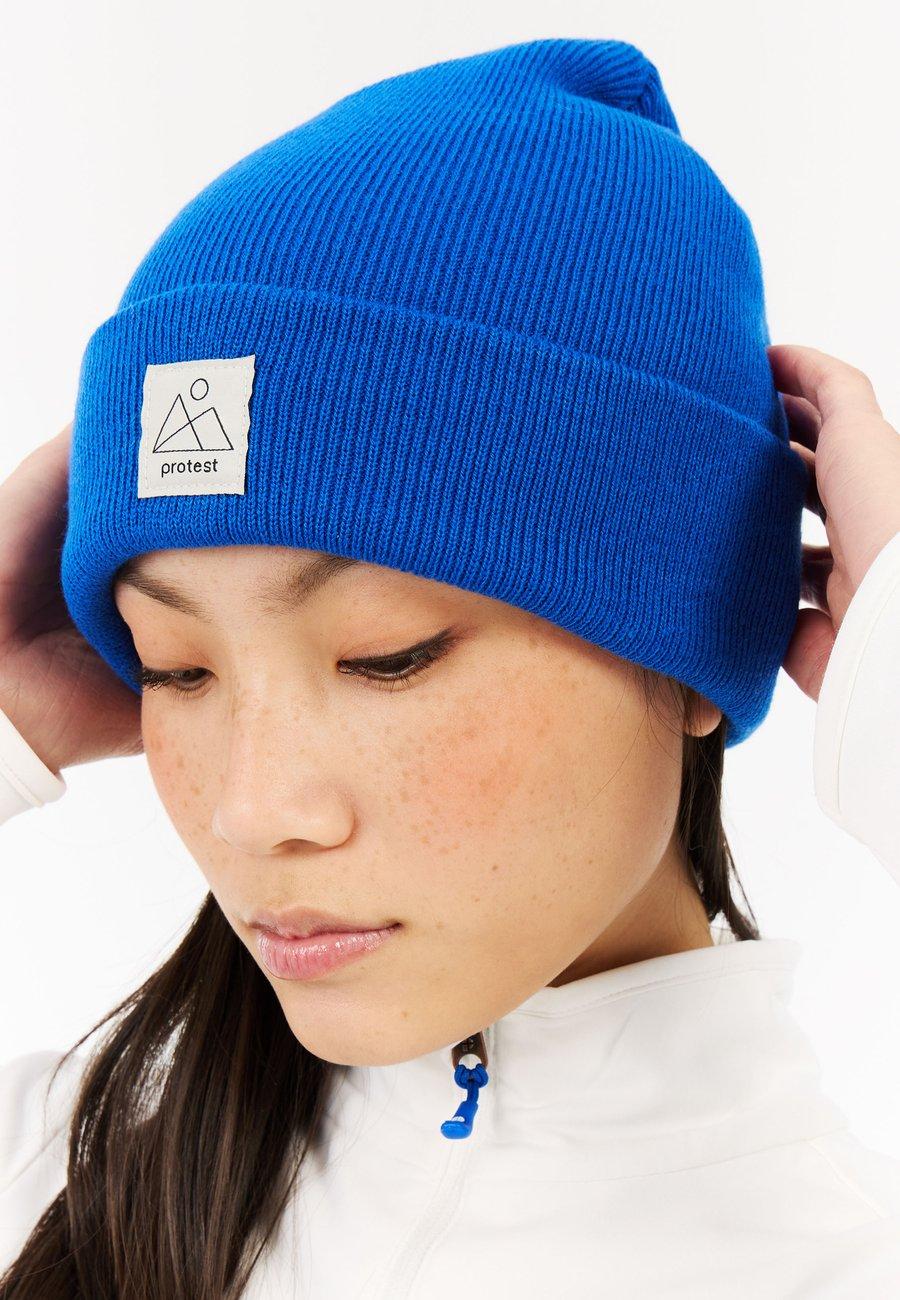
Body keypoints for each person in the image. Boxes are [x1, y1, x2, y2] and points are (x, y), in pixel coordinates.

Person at [1, 35, 899, 1299]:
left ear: (696, 640)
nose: (252, 810)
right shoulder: (56, 1169)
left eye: (387, 655)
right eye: (176, 668)